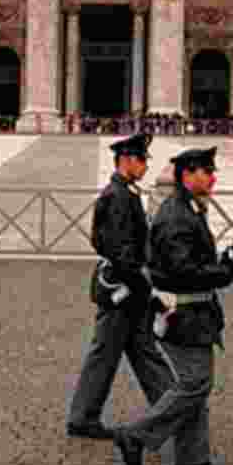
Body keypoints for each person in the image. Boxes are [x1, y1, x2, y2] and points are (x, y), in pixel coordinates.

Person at [112, 145, 233, 465]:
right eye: (206, 172)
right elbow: (183, 271)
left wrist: (228, 258)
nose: (212, 178)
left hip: (193, 312)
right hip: (182, 314)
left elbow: (192, 262)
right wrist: (226, 270)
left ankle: (192, 460)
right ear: (187, 175)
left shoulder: (188, 208)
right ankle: (136, 436)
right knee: (194, 384)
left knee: (195, 387)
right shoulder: (177, 216)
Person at [67, 133, 171, 440]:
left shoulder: (124, 193)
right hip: (122, 291)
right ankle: (83, 418)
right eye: (141, 160)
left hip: (128, 290)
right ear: (125, 160)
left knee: (143, 352)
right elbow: (117, 248)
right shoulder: (118, 196)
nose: (145, 167)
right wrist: (144, 285)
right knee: (107, 355)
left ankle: (174, 410)